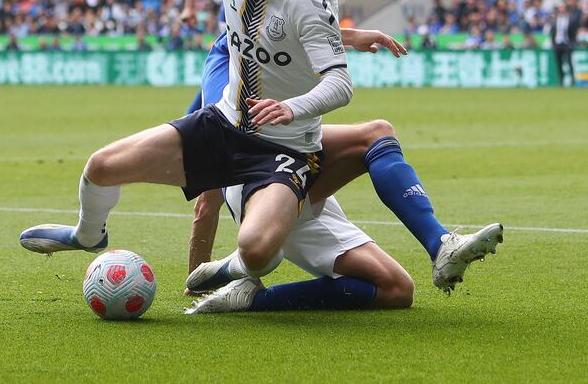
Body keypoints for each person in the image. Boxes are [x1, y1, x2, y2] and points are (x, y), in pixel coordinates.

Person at [20, 0, 356, 289]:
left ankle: (226, 270)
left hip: (282, 147)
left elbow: (340, 83)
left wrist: (292, 106)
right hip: (224, 125)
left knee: (258, 249)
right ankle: (87, 235)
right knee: (101, 167)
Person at [183, 26, 502, 313]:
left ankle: (250, 297)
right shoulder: (254, 39)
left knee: (396, 290)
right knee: (375, 134)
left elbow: (206, 198)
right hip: (264, 186)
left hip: (293, 179)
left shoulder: (222, 67)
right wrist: (354, 36)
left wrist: (197, 277)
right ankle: (440, 243)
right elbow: (299, 30)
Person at [551, 0, 579, 86]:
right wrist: (553, 43)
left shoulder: (571, 19)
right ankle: (561, 81)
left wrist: (572, 42)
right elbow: (552, 32)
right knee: (559, 64)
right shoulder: (555, 19)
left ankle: (572, 81)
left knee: (569, 63)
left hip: (567, 43)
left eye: (563, 7)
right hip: (558, 43)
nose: (561, 9)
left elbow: (573, 32)